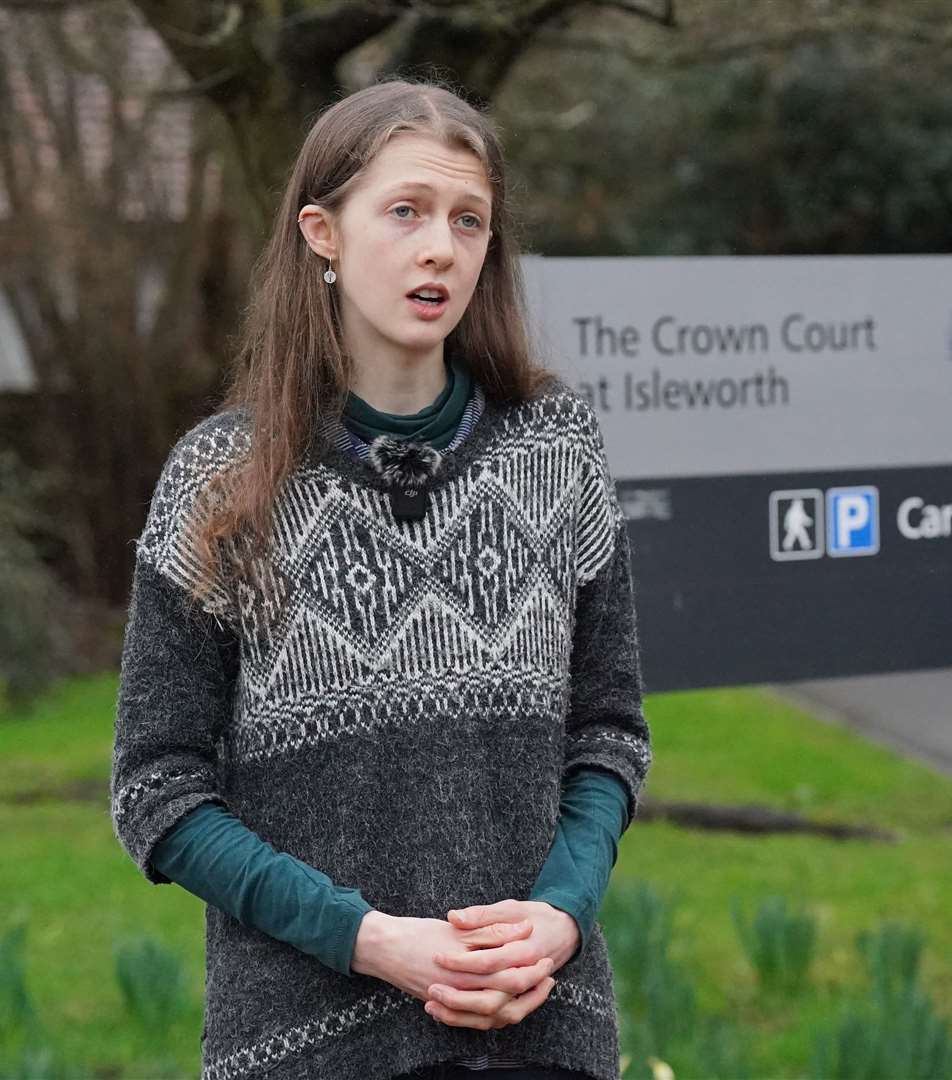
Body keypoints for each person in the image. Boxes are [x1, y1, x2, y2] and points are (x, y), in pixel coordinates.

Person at [109, 77, 651, 1080]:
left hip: (540, 1030)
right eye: (405, 211)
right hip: (308, 1042)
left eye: (468, 219)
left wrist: (560, 916)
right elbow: (158, 789)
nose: (439, 246)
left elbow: (607, 732)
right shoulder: (219, 483)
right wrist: (370, 940)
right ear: (322, 230)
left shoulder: (557, 451)